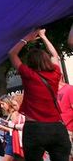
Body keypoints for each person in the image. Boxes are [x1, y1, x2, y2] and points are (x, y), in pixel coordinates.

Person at [8, 28, 71, 160]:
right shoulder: (54, 74)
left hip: (35, 128)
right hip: (57, 127)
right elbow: (55, 56)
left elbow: (12, 54)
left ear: (30, 63)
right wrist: (43, 36)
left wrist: (26, 39)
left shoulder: (28, 75)